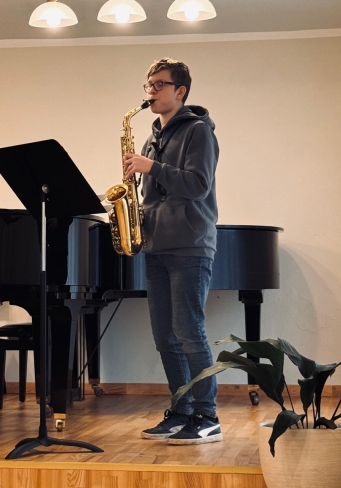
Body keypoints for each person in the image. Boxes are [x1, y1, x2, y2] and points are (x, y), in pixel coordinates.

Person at [123, 57, 221, 445]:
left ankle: (207, 415)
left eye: (159, 85)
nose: (150, 91)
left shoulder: (199, 131)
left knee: (189, 333)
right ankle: (181, 411)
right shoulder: (152, 138)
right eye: (148, 85)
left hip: (190, 245)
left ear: (180, 91)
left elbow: (197, 185)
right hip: (157, 245)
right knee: (165, 336)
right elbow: (154, 194)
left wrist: (151, 167)